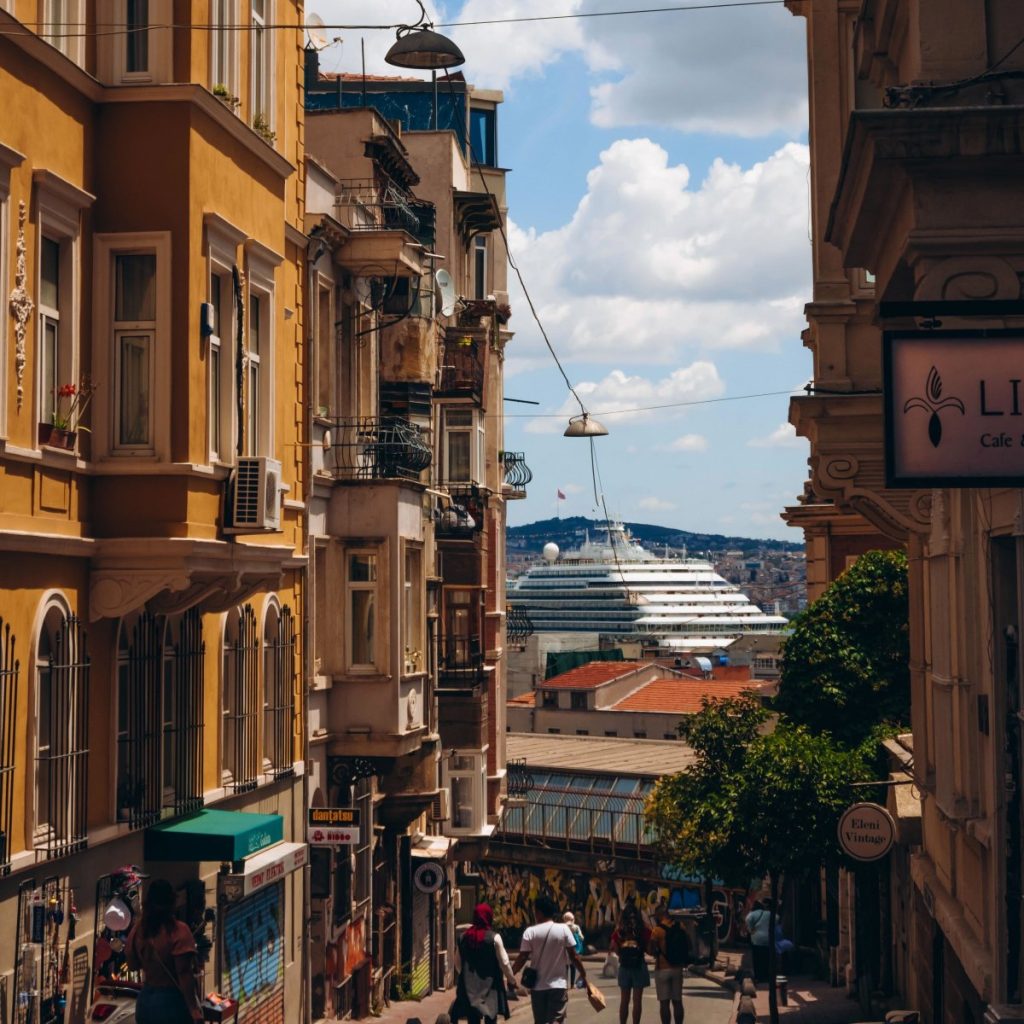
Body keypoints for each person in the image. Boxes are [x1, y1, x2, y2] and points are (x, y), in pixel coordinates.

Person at [126, 879, 203, 1023]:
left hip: (146, 1000)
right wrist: (194, 1009)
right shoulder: (179, 931)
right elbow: (184, 973)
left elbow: (132, 964)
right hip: (171, 1002)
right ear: (172, 902)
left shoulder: (138, 930)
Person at [511, 895, 588, 1024]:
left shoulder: (530, 932)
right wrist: (583, 974)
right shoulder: (563, 929)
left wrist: (510, 975)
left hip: (537, 987)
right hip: (558, 986)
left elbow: (522, 957)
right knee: (556, 1021)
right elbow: (574, 956)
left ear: (539, 912)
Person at [451, 903, 520, 1024]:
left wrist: (467, 977)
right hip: (491, 986)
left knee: (472, 1019)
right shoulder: (494, 938)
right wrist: (511, 980)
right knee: (491, 1017)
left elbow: (457, 963)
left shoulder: (463, 938)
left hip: (469, 988)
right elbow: (504, 962)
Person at [649, 904, 691, 1024]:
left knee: (664, 1003)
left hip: (662, 968)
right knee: (677, 1001)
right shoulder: (680, 926)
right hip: (677, 968)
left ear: (660, 915)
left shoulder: (657, 930)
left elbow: (651, 950)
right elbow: (688, 944)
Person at [610, 904, 651, 1024]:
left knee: (624, 1000)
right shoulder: (643, 930)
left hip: (624, 966)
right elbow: (649, 949)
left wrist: (623, 952)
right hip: (639, 965)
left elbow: (614, 948)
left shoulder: (619, 931)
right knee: (637, 1001)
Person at [744, 899, 772, 984]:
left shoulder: (752, 914)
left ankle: (758, 976)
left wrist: (751, 931)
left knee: (757, 959)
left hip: (756, 940)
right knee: (766, 958)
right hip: (766, 939)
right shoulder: (766, 914)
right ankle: (766, 976)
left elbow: (748, 923)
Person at [563, 913, 585, 988]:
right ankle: (572, 984)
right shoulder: (576, 927)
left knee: (565, 968)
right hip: (574, 949)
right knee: (573, 967)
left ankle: (565, 984)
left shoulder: (563, 927)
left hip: (565, 949)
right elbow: (581, 937)